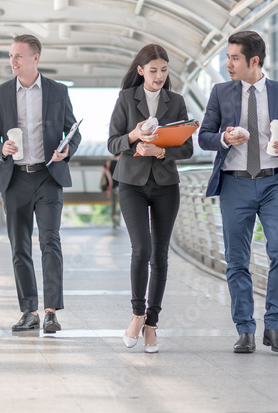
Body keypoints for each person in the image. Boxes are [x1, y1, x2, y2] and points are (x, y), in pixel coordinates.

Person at [199, 30, 278, 354]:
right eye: (228, 57)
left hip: (274, 180)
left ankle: (274, 326)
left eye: (234, 58)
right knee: (237, 259)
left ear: (254, 61)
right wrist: (224, 137)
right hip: (235, 183)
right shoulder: (220, 92)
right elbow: (204, 136)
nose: (228, 64)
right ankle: (245, 329)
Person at [0, 34, 81, 333]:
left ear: (35, 58)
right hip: (15, 180)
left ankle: (51, 312)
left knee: (50, 242)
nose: (13, 61)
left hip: (48, 176)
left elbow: (72, 132)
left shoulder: (57, 91)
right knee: (19, 247)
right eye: (11, 55)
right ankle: (30, 311)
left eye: (18, 56)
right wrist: (2, 150)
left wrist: (67, 150)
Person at [107, 44, 194, 353]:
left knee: (160, 255)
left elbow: (187, 149)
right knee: (140, 248)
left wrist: (160, 152)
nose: (159, 76)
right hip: (131, 183)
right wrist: (134, 136)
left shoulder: (177, 102)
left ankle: (152, 325)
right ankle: (137, 314)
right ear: (141, 70)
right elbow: (112, 143)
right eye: (153, 70)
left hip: (165, 184)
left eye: (164, 70)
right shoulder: (126, 99)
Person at [101, 159, 119, 228]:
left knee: (113, 205)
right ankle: (117, 218)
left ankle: (114, 221)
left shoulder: (108, 162)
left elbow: (103, 172)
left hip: (110, 187)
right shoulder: (120, 162)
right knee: (122, 205)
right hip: (119, 187)